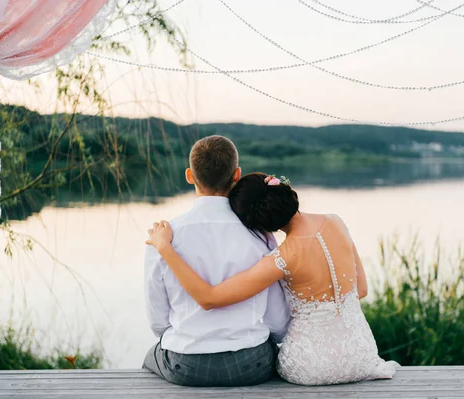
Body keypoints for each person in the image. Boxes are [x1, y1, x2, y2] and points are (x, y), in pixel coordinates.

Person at [146, 172, 399, 386]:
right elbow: (361, 289)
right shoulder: (336, 221)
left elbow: (209, 298)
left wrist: (165, 249)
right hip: (362, 354)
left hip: (310, 366)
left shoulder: (282, 258)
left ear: (257, 224)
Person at [143, 137, 290, 387]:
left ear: (189, 176)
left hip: (185, 364)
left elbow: (158, 323)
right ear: (236, 175)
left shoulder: (163, 237)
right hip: (250, 363)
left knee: (150, 358)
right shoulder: (260, 236)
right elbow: (277, 321)